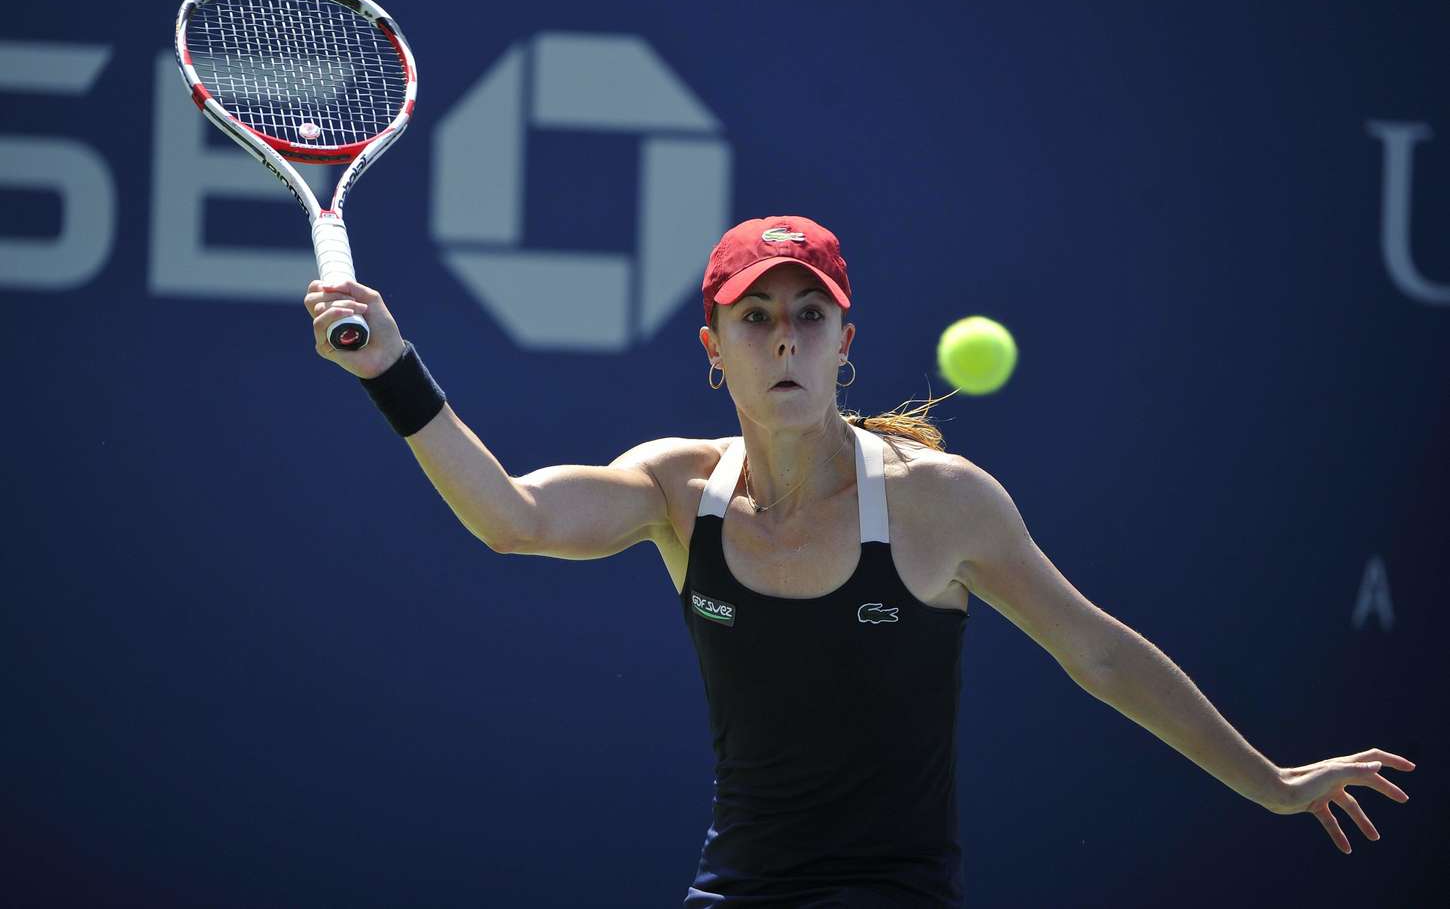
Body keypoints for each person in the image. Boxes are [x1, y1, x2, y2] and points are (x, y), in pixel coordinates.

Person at [303, 214, 1415, 907]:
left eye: (807, 314)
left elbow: (1100, 654)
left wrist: (1269, 781)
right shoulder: (674, 489)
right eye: (755, 318)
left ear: (845, 340)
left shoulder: (941, 503)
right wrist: (392, 369)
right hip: (734, 887)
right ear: (714, 348)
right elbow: (510, 516)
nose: (783, 338)